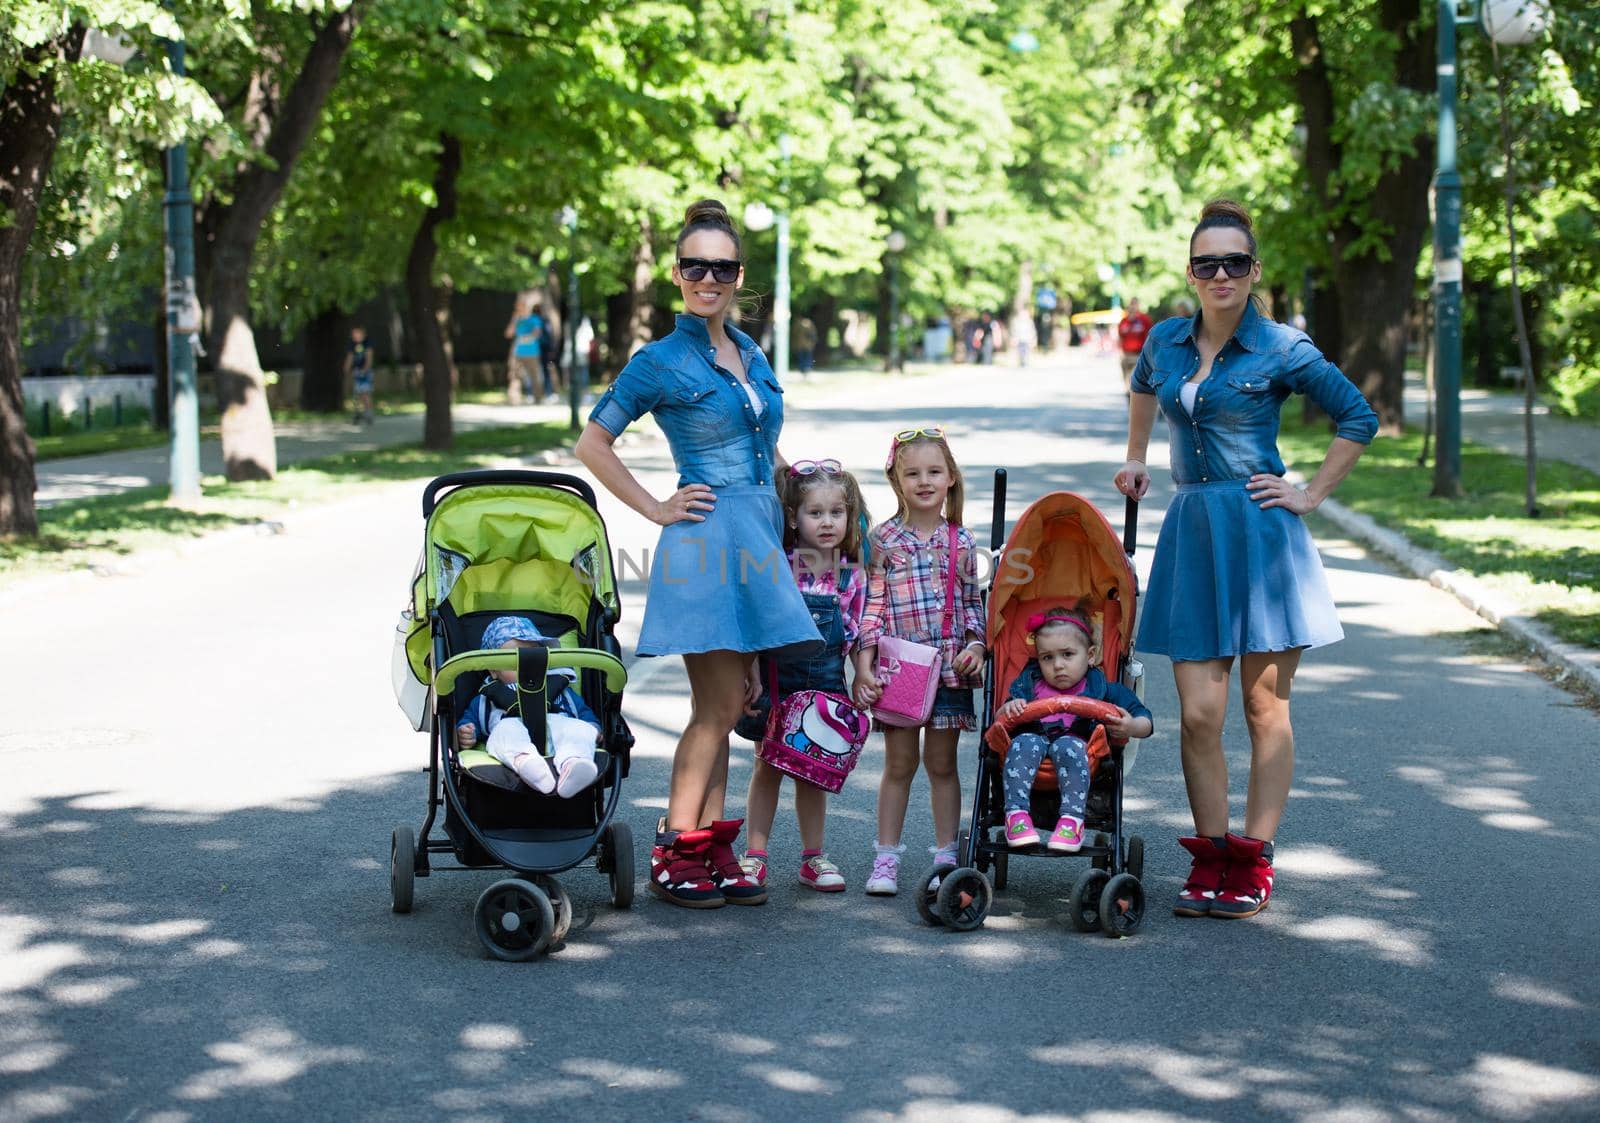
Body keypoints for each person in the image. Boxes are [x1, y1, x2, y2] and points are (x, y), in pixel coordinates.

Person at [1113, 198, 1378, 920]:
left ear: (1254, 270)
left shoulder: (1282, 347)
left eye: (1235, 262)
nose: (1221, 273)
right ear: (1192, 273)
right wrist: (1136, 458)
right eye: (1208, 263)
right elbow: (1143, 390)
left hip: (1262, 536)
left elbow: (1359, 415)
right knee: (1199, 714)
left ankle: (1252, 861)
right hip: (1193, 527)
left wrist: (1312, 492)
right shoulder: (1165, 341)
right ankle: (1213, 855)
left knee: (1265, 708)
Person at [574, 198, 822, 910]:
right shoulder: (658, 361)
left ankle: (712, 848)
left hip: (758, 537)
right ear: (677, 275)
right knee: (715, 708)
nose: (707, 277)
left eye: (721, 266)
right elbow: (593, 444)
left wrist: (806, 492)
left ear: (738, 274)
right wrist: (656, 506)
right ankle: (676, 847)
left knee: (735, 698)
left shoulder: (750, 352)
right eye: (694, 265)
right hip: (706, 543)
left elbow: (760, 445)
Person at [851, 426, 985, 895]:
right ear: (896, 479)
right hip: (900, 671)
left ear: (950, 478)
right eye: (912, 473)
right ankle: (886, 858)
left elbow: (973, 604)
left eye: (934, 471)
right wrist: (863, 666)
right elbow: (871, 607)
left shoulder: (963, 541)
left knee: (942, 765)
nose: (924, 481)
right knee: (900, 764)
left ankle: (947, 857)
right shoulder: (883, 540)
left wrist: (976, 646)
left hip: (949, 669)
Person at [737, 460, 870, 893]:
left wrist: (861, 676)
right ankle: (754, 856)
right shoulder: (777, 565)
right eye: (816, 513)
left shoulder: (851, 573)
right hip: (777, 681)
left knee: (812, 771)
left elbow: (857, 632)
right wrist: (750, 672)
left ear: (849, 517)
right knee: (767, 766)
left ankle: (813, 858)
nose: (827, 522)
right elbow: (754, 625)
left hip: (825, 685)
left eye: (837, 513)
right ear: (793, 517)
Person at [994, 607, 1153, 850]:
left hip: (1081, 756)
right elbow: (999, 721)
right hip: (1031, 754)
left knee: (1068, 745)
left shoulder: (1103, 689)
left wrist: (1130, 726)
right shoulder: (1027, 686)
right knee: (1023, 742)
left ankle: (1071, 821)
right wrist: (1009, 709)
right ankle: (1015, 816)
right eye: (1047, 657)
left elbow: (1145, 720)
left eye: (1067, 654)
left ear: (1090, 655)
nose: (1057, 665)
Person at [454, 616, 601, 798]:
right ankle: (527, 763)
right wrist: (467, 731)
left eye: (533, 657)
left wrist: (593, 728)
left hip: (557, 733)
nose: (526, 665)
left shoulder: (559, 687)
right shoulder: (486, 698)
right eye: (514, 661)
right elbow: (470, 719)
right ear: (493, 670)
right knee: (504, 732)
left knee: (579, 729)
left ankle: (574, 764)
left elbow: (583, 713)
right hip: (512, 729)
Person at [504, 297, 544, 404]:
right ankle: (514, 399)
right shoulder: (517, 320)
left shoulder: (534, 319)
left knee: (534, 376)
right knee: (515, 376)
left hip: (532, 353)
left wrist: (527, 337)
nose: (519, 309)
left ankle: (538, 399)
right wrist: (514, 320)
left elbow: (537, 333)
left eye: (521, 307)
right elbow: (508, 334)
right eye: (517, 307)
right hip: (518, 353)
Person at [1117, 299, 1154, 392]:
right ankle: (1128, 396)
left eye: (1135, 304)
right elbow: (1120, 337)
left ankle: (1132, 396)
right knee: (1126, 379)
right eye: (1131, 304)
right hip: (1126, 354)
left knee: (1134, 379)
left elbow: (1150, 336)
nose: (1132, 307)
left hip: (1139, 354)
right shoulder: (1123, 321)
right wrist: (1120, 352)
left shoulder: (1144, 320)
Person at [346, 325, 375, 425]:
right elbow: (350, 357)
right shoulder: (352, 345)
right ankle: (357, 413)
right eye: (353, 334)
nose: (354, 336)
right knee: (356, 394)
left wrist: (365, 369)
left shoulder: (367, 343)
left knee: (365, 393)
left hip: (365, 373)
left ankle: (368, 413)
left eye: (356, 333)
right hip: (357, 371)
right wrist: (346, 368)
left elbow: (369, 358)